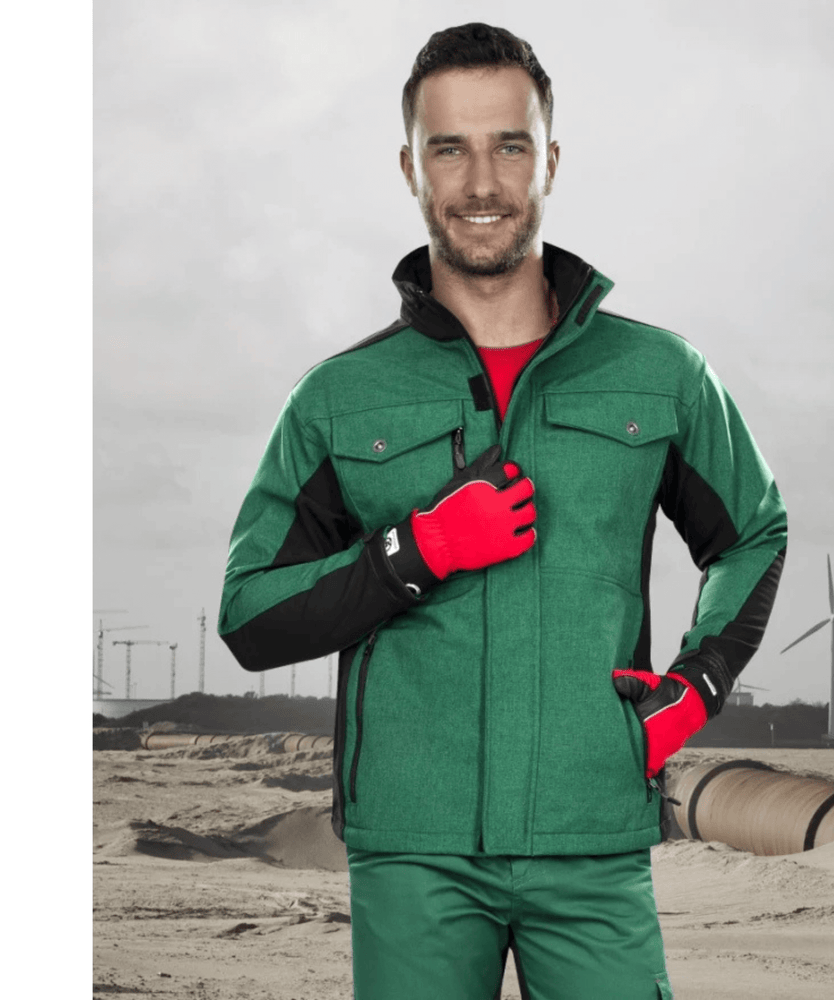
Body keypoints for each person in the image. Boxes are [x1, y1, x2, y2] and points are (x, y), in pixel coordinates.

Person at [218, 22, 787, 1000]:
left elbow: (752, 532)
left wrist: (695, 688)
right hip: (412, 847)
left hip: (592, 832)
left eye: (509, 146)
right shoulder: (337, 398)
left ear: (549, 160)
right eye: (450, 148)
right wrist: (413, 550)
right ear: (411, 167)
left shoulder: (661, 373)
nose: (481, 181)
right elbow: (250, 613)